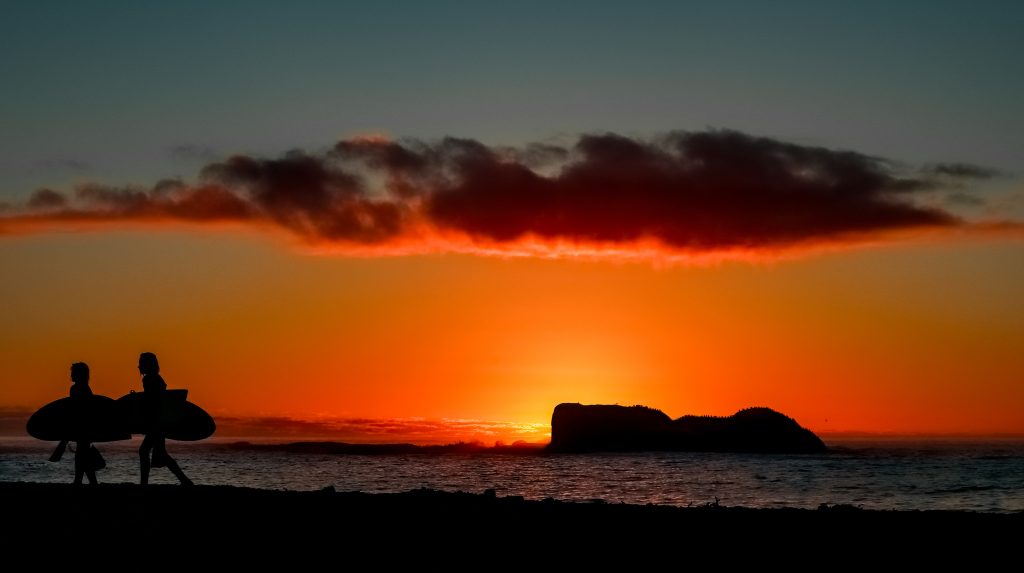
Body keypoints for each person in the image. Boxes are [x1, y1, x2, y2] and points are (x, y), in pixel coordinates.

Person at [137, 352, 193, 486]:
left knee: (145, 451)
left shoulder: (150, 380)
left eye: (141, 363)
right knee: (160, 453)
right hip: (160, 422)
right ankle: (185, 481)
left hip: (156, 422)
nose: (138, 366)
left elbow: (153, 403)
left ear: (147, 365)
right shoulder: (156, 378)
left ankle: (144, 484)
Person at [49, 362, 101, 485]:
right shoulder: (87, 389)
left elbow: (75, 409)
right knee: (82, 456)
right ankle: (84, 481)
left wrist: (68, 430)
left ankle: (80, 481)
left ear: (79, 374)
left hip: (81, 427)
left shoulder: (77, 389)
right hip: (86, 427)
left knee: (81, 456)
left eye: (73, 373)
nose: (71, 375)